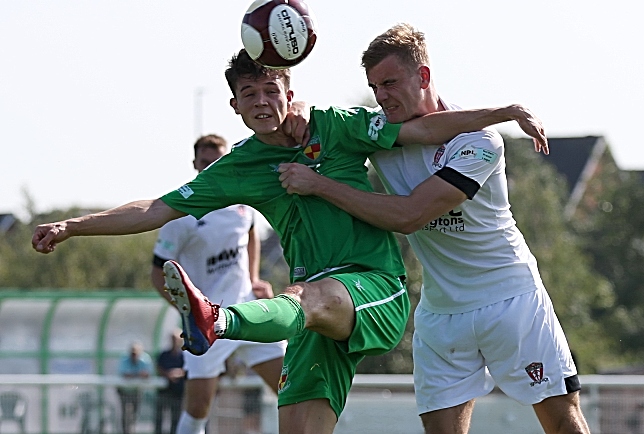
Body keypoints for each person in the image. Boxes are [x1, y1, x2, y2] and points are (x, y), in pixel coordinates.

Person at [32, 48, 546, 433]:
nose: (262, 102)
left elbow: (425, 130)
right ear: (235, 107)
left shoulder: (338, 125)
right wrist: (73, 227)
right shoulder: (237, 167)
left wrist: (504, 112)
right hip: (307, 312)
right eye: (249, 95)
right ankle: (219, 318)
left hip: (374, 288)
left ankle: (218, 319)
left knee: (306, 297)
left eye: (270, 90)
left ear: (289, 91)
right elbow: (155, 208)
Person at [277, 23, 590, 434]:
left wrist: (319, 185)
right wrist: (300, 108)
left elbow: (410, 215)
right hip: (442, 313)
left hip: (511, 300)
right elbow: (323, 123)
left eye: (390, 82)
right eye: (374, 87)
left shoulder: (479, 143)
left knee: (564, 425)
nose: (382, 96)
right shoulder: (380, 132)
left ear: (423, 76)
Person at [150, 134, 285, 434]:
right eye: (205, 162)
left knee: (292, 391)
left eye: (217, 161)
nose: (211, 167)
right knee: (198, 409)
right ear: (195, 165)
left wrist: (253, 278)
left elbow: (250, 233)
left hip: (249, 312)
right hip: (208, 327)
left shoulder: (242, 204)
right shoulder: (181, 215)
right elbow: (157, 274)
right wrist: (190, 312)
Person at [117, 341, 153, 434]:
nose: (134, 355)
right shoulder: (124, 359)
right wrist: (138, 375)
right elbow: (124, 374)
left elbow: (147, 374)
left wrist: (134, 375)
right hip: (124, 391)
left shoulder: (145, 359)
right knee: (125, 412)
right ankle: (125, 431)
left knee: (135, 413)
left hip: (137, 390)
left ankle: (132, 429)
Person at [155, 330, 185, 434]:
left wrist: (178, 373)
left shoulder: (184, 355)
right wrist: (168, 375)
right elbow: (158, 367)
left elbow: (188, 369)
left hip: (178, 393)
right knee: (159, 418)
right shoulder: (164, 354)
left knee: (176, 419)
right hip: (164, 392)